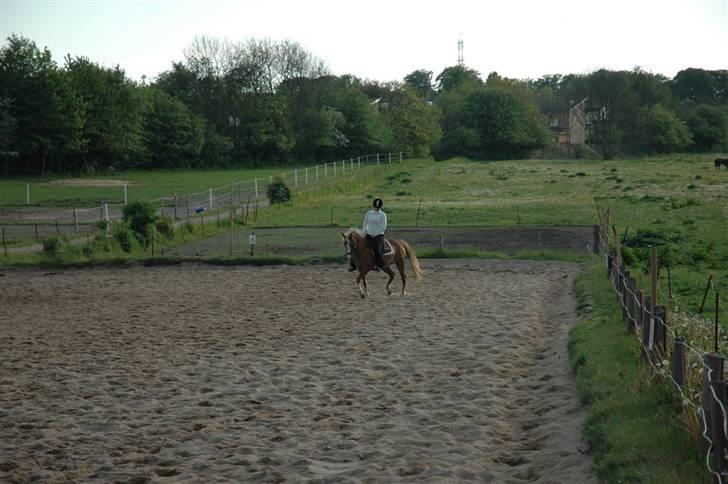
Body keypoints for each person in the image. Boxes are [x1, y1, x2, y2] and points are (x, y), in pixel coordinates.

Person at [352, 197, 387, 272]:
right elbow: (365, 223)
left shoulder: (382, 215)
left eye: (378, 207)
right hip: (368, 234)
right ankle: (354, 264)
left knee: (377, 248)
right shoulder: (369, 213)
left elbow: (383, 226)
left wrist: (376, 234)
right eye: (375, 207)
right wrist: (364, 232)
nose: (376, 208)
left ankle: (378, 265)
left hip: (378, 235)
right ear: (373, 206)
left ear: (380, 207)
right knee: (358, 246)